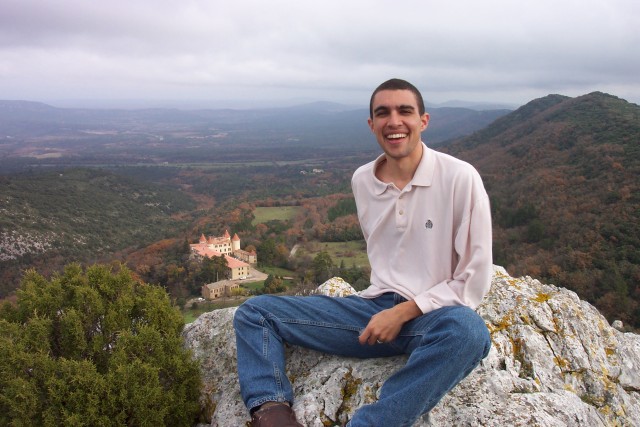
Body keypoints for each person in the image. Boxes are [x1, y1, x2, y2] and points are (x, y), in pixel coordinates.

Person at [234, 78, 493, 427]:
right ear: (372, 125)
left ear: (424, 121)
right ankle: (273, 413)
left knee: (470, 332)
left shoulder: (460, 177)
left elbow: (474, 279)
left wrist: (403, 313)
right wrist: (383, 312)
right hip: (371, 311)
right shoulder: (362, 180)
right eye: (383, 113)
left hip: (433, 317)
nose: (394, 121)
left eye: (405, 111)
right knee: (255, 312)